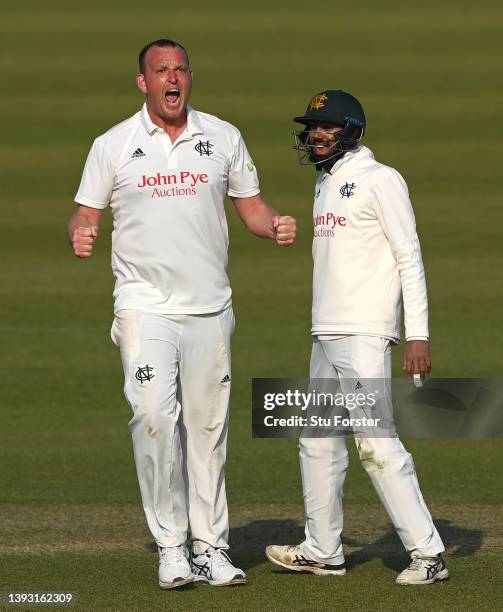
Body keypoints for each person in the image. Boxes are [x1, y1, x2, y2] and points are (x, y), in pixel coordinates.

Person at [68, 38, 296, 590]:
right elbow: (84, 213)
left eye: (180, 70)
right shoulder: (113, 144)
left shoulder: (222, 136)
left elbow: (250, 206)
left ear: (190, 78)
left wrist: (274, 225)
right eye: (159, 71)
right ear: (142, 83)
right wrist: (81, 232)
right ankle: (171, 546)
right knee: (151, 417)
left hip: (209, 306)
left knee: (207, 429)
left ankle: (211, 547)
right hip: (145, 305)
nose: (172, 79)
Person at [265, 90, 448, 585]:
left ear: (353, 131)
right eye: (312, 127)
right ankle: (323, 549)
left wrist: (418, 335)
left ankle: (428, 555)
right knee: (317, 440)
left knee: (375, 443)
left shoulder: (380, 180)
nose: (316, 135)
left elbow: (410, 257)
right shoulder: (326, 184)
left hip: (365, 333)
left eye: (327, 127)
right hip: (325, 331)